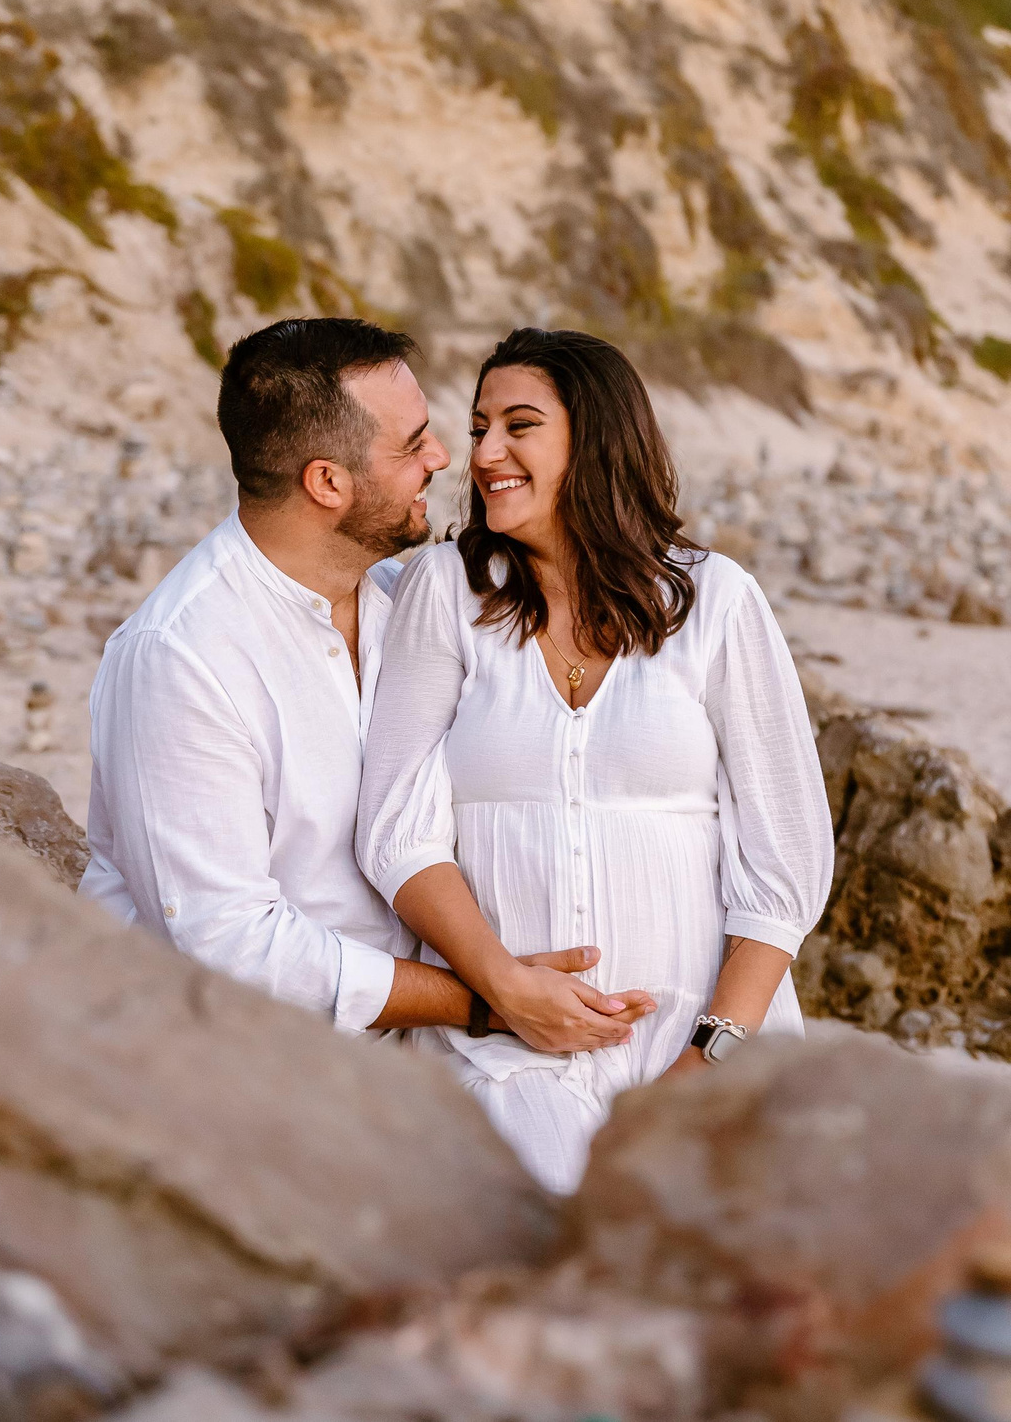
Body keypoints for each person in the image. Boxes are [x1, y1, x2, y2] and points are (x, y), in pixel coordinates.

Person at [80, 317, 657, 1045]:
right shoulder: (181, 657)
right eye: (414, 444)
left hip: (425, 1044)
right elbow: (230, 944)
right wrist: (488, 999)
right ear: (328, 482)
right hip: (240, 1063)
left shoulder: (409, 601)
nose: (448, 457)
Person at [357, 327, 833, 1192]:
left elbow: (787, 863)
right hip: (511, 1051)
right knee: (565, 1237)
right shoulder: (445, 595)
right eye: (478, 426)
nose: (486, 451)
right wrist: (502, 987)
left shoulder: (715, 601)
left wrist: (707, 1060)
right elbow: (396, 831)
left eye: (519, 424)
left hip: (704, 1043)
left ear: (597, 440)